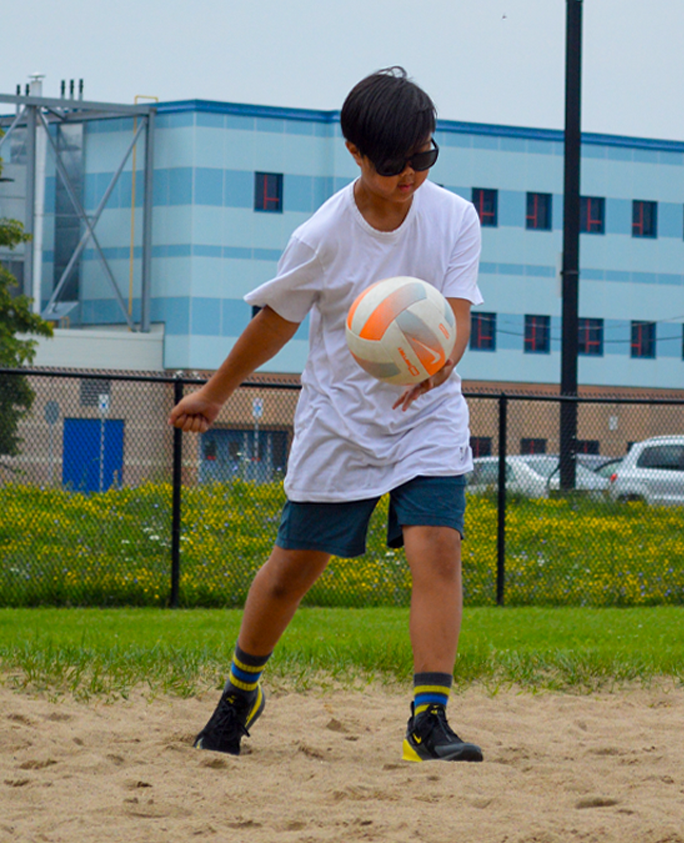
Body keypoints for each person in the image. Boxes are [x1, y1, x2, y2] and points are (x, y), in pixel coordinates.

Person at [168, 67, 483, 763]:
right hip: (341, 420)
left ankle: (428, 720)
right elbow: (276, 319)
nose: (411, 174)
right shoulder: (323, 235)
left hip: (427, 413)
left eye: (424, 156)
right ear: (355, 152)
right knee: (290, 572)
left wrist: (439, 365)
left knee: (437, 548)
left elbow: (456, 319)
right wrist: (215, 392)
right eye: (394, 161)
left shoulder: (455, 217)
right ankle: (238, 692)